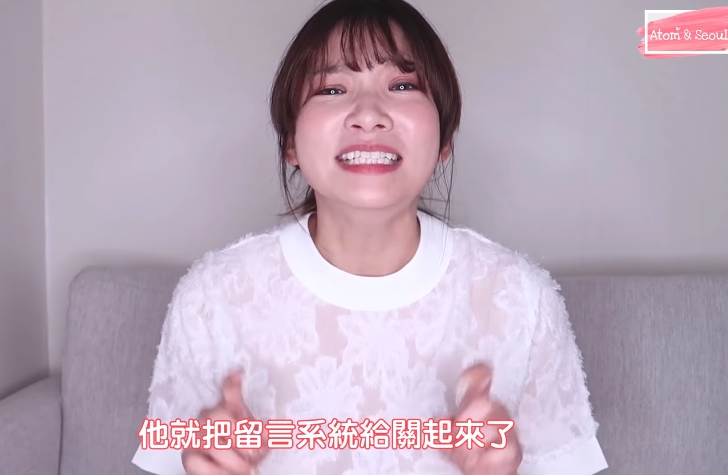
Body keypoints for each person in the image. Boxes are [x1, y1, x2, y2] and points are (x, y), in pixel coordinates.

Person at [132, 0, 609, 473]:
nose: (368, 114)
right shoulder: (212, 297)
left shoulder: (521, 299)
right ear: (290, 142)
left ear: (444, 140)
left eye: (402, 85)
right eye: (332, 89)